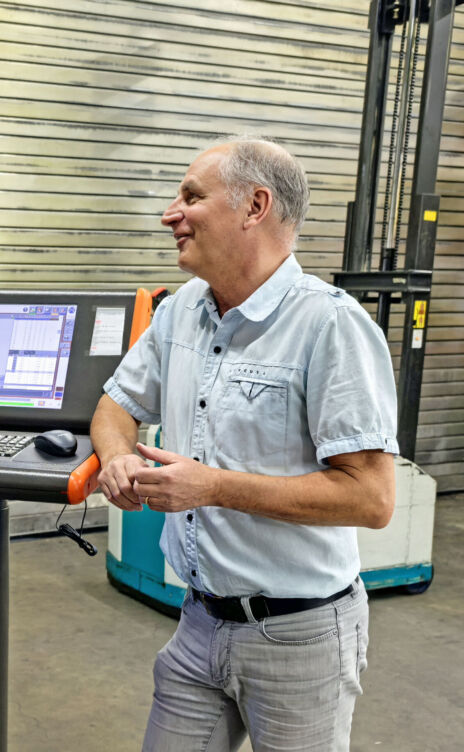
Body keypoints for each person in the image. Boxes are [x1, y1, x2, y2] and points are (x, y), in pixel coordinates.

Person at [91, 137, 398, 751]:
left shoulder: (330, 326)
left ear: (255, 206)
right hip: (197, 625)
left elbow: (371, 498)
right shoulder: (180, 311)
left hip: (300, 637)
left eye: (191, 197)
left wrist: (215, 486)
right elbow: (114, 406)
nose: (170, 214)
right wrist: (118, 457)